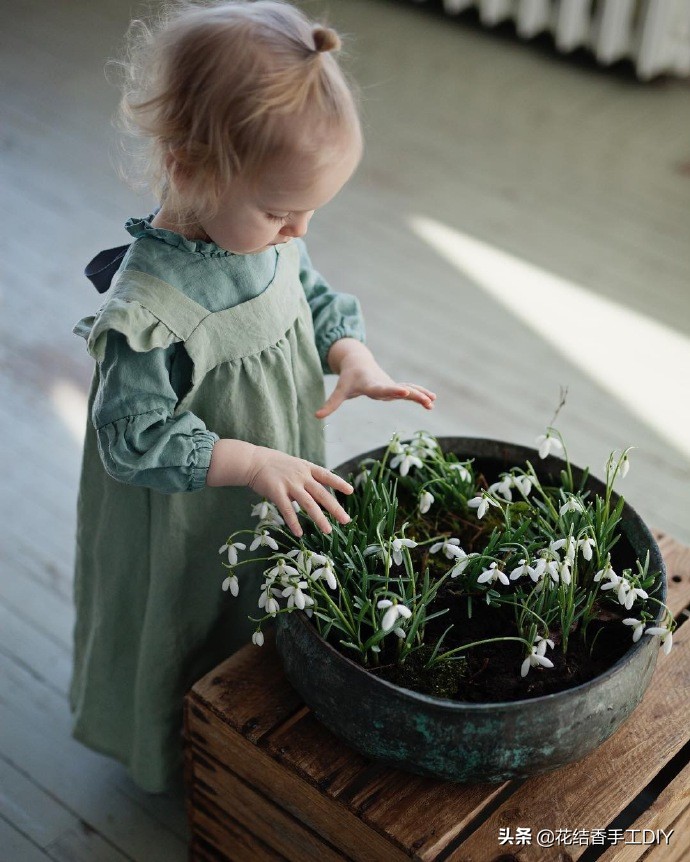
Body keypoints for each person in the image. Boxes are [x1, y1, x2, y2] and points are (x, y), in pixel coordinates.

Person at [70, 0, 436, 793]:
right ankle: (179, 758)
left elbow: (309, 291)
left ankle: (252, 730)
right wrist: (252, 463)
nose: (299, 230)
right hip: (187, 515)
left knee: (262, 600)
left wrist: (352, 356)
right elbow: (131, 437)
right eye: (280, 211)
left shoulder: (267, 239)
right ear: (189, 167)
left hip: (274, 475)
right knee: (191, 617)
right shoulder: (148, 310)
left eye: (311, 211)